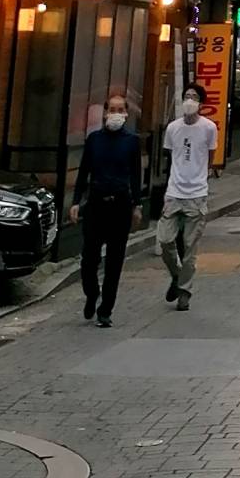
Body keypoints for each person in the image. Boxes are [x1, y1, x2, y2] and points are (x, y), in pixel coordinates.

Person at [72, 91, 142, 327]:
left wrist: (137, 205)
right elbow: (84, 171)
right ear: (104, 113)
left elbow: (135, 175)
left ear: (126, 113)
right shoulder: (94, 140)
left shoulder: (131, 141)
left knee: (115, 260)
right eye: (111, 109)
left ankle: (106, 309)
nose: (115, 114)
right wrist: (75, 201)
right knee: (89, 258)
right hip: (95, 204)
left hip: (120, 205)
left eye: (119, 110)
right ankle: (92, 294)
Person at [157, 85, 218, 312]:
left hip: (197, 195)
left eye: (194, 97)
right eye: (186, 97)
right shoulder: (173, 128)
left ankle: (185, 291)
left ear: (201, 103)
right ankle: (176, 276)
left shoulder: (209, 128)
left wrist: (201, 176)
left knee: (190, 248)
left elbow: (210, 157)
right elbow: (171, 156)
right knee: (165, 241)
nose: (189, 100)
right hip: (174, 193)